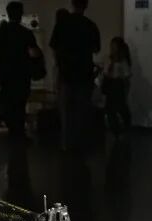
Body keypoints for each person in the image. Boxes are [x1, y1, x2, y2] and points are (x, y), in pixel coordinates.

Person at [49, 0, 99, 151]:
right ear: (86, 5)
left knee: (66, 112)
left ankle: (66, 144)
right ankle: (80, 143)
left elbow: (54, 47)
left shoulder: (62, 24)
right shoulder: (90, 25)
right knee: (81, 111)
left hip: (66, 73)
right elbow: (96, 49)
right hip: (84, 74)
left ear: (72, 4)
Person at [0, 2, 39, 139]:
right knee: (20, 102)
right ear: (20, 14)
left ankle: (12, 129)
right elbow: (34, 52)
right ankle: (19, 130)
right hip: (22, 73)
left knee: (9, 102)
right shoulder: (26, 33)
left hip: (5, 73)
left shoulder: (1, 32)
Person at [102, 37, 131, 137]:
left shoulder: (122, 61)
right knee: (110, 110)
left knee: (120, 107)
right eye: (111, 46)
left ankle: (124, 128)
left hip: (118, 85)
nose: (112, 48)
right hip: (110, 84)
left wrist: (126, 90)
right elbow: (105, 73)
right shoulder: (108, 59)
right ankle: (116, 131)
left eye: (114, 46)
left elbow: (126, 77)